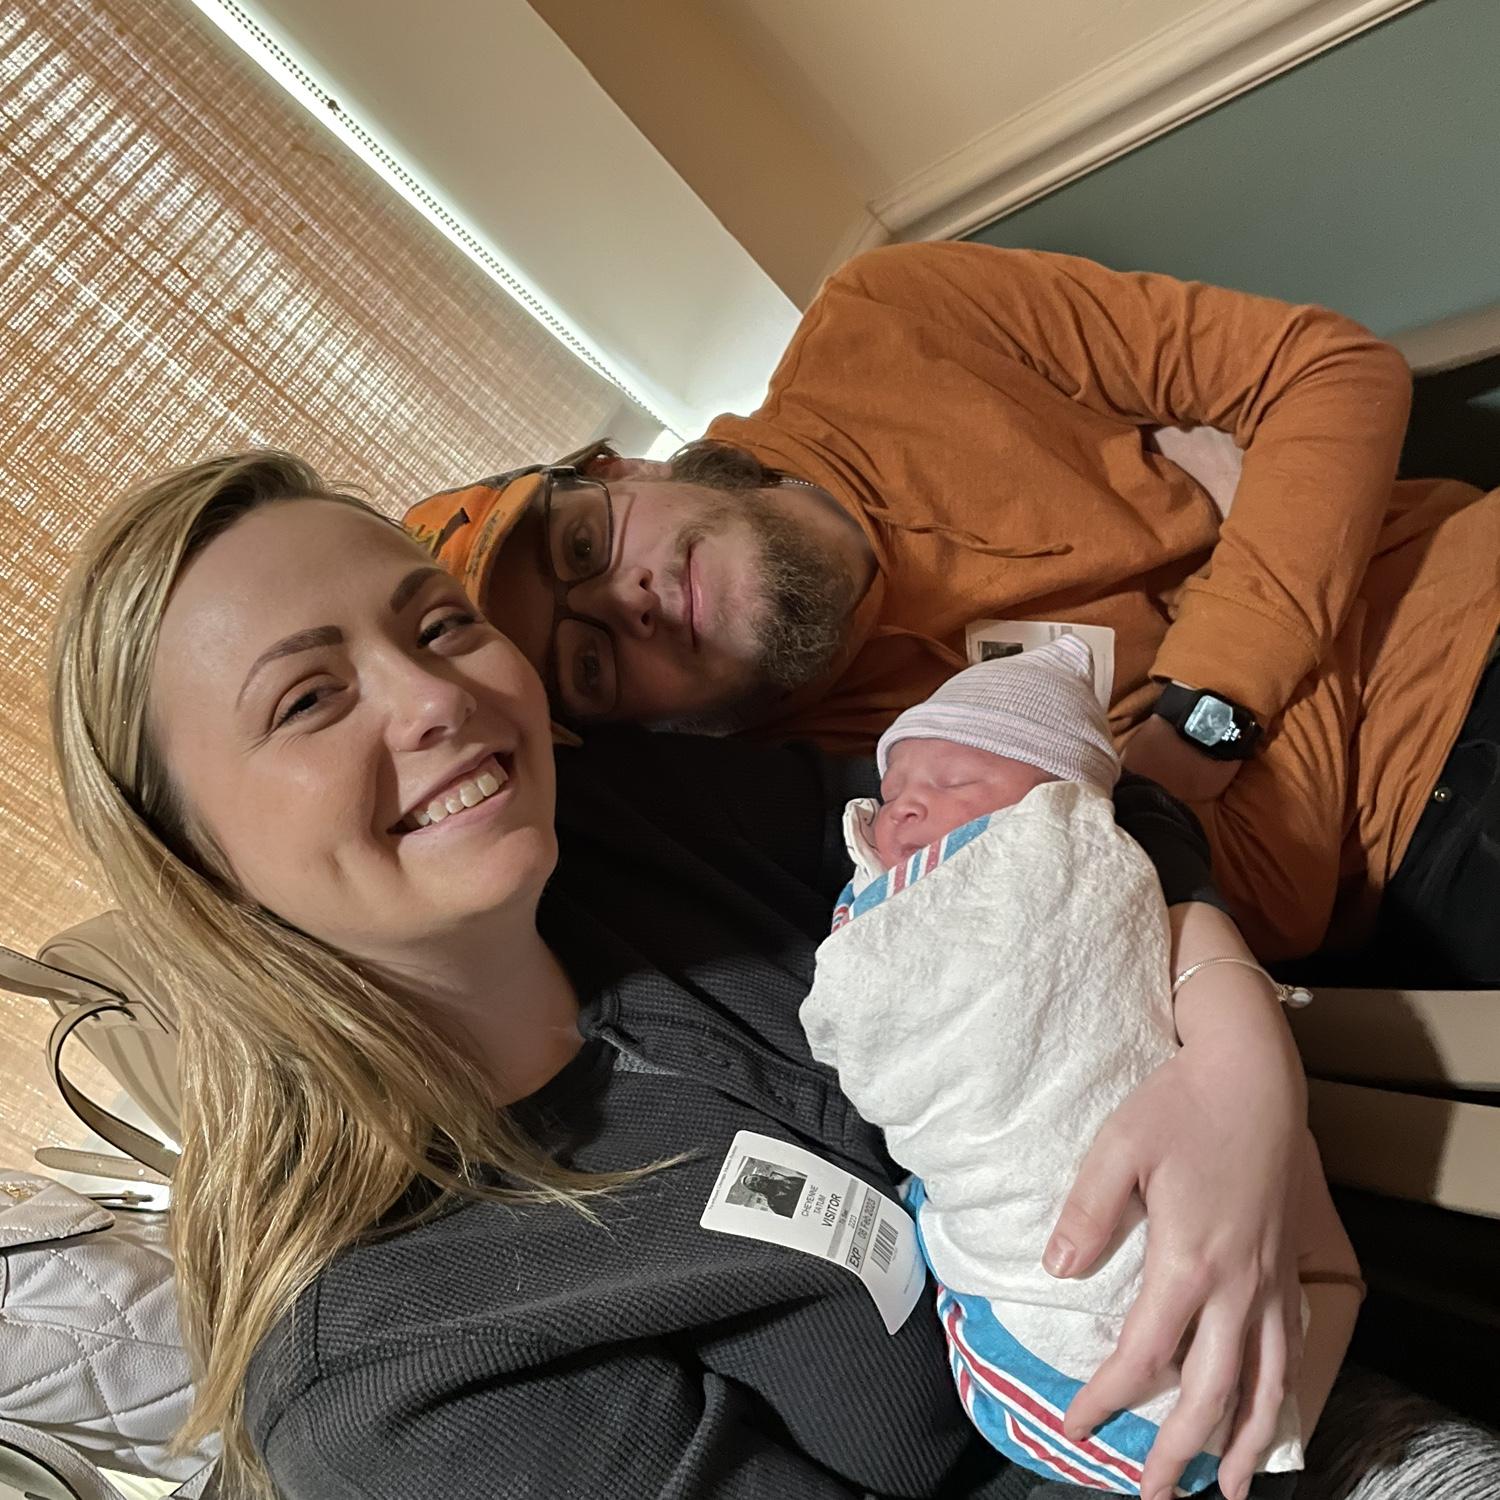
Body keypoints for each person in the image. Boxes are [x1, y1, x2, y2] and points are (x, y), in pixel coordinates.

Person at [49, 449, 1343, 1500]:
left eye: (439, 625)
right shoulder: (392, 1382)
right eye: (308, 700)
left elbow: (1045, 800)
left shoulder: (632, 820)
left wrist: (1234, 1038)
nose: (434, 699)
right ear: (194, 863)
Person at [402, 242, 1500, 978]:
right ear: (639, 726)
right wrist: (1272, 522)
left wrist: (1202, 713)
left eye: (585, 546)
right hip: (1428, 847)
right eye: (588, 662)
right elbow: (1263, 890)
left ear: (625, 470)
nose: (624, 601)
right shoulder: (836, 804)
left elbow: (1332, 370)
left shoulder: (890, 316)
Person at [801, 638, 1363, 1495]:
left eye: (955, 781)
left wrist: (1238, 1033)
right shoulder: (875, 886)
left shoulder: (1073, 850)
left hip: (1238, 1209)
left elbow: (1126, 831)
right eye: (893, 790)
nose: (905, 806)